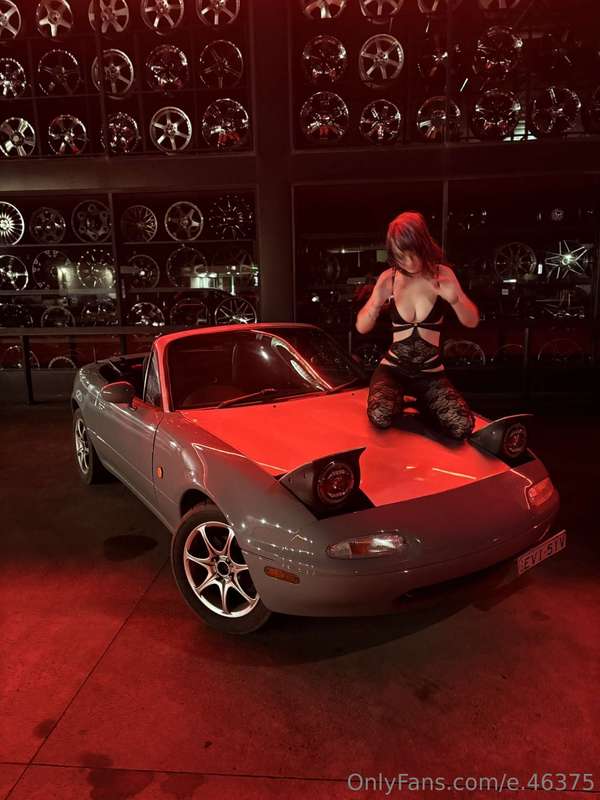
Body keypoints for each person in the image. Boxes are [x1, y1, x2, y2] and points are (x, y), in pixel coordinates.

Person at [355, 211, 479, 440]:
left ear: (424, 246)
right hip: (393, 370)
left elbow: (472, 321)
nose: (410, 262)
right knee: (380, 416)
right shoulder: (389, 278)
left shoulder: (442, 274)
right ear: (393, 254)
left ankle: (421, 402)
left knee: (462, 425)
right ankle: (403, 400)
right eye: (402, 256)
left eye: (414, 254)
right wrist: (374, 304)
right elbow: (361, 328)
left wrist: (455, 301)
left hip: (430, 374)